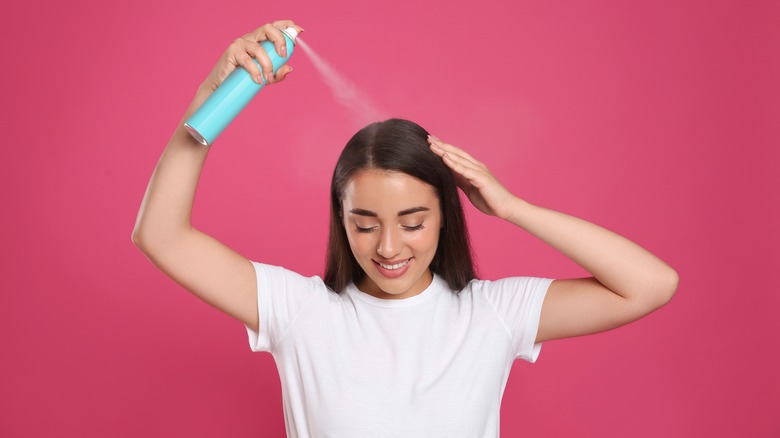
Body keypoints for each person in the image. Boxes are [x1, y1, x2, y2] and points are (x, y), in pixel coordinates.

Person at [132, 19, 678, 437]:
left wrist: (512, 207)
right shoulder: (299, 311)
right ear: (340, 220)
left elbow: (650, 284)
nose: (389, 247)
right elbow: (160, 236)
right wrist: (211, 97)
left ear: (446, 213)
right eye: (364, 224)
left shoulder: (493, 315)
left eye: (412, 222)